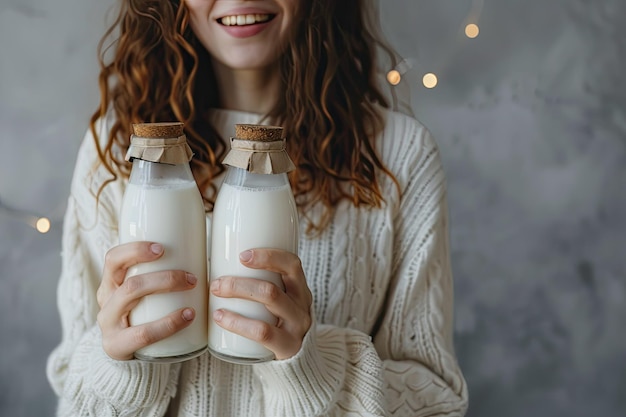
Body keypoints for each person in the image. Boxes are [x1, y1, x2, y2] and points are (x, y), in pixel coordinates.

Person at [46, 0, 469, 415]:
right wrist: (123, 368)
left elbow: (435, 401)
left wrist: (312, 371)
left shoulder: (398, 155)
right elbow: (73, 392)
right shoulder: (120, 150)